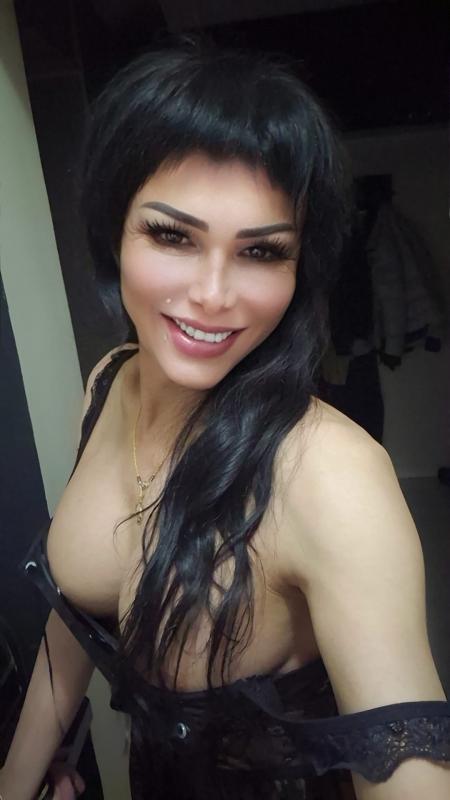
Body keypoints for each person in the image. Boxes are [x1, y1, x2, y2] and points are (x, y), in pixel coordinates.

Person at [1, 34, 450, 800]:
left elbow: (409, 766)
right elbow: (77, 615)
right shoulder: (110, 382)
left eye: (261, 252)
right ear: (115, 231)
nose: (213, 295)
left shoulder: (332, 476)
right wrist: (15, 779)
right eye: (173, 235)